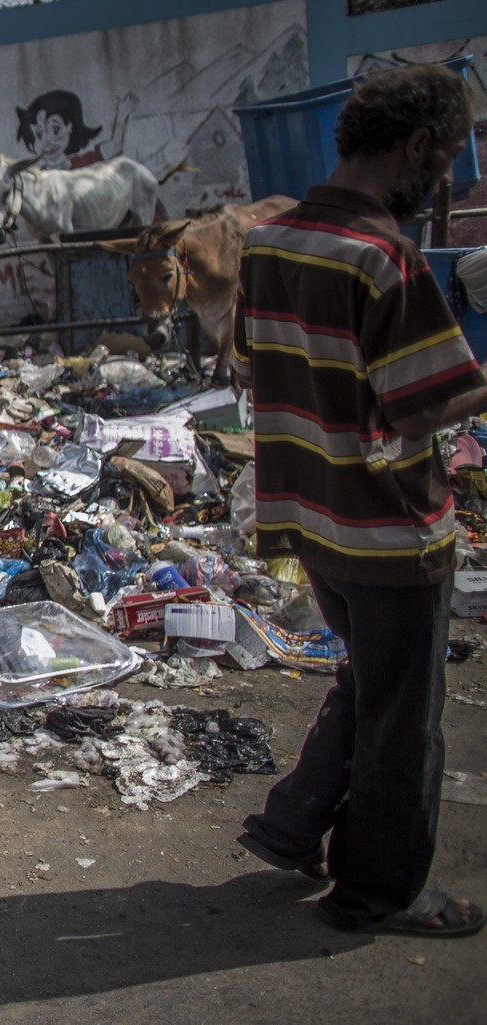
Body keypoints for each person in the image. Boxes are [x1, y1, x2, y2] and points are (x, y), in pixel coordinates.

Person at [230, 62, 486, 939]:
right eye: (447, 157)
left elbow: (255, 361)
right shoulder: (385, 258)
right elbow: (425, 402)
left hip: (311, 518)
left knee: (368, 681)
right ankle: (377, 891)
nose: (446, 176)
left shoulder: (269, 243)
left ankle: (292, 820)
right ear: (417, 147)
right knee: (405, 719)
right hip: (389, 530)